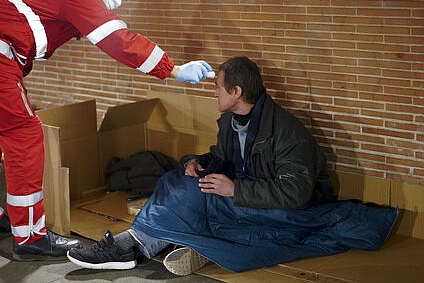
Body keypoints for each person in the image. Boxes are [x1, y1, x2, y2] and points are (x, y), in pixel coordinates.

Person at [0, 0, 213, 261]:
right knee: (24, 135)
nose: (117, 0)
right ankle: (30, 236)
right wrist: (174, 69)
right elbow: (116, 39)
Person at [66, 56, 398, 275]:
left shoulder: (287, 132)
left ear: (236, 91)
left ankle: (130, 247)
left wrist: (234, 188)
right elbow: (225, 155)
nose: (214, 94)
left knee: (200, 197)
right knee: (177, 181)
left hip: (288, 207)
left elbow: (295, 192)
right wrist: (201, 162)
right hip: (247, 189)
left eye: (217, 87)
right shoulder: (231, 119)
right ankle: (144, 243)